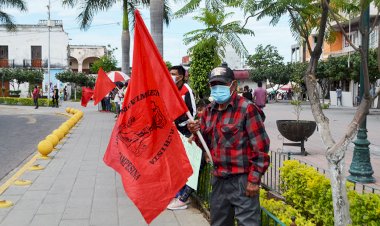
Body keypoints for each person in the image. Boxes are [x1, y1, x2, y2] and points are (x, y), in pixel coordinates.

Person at [187, 66, 270, 226]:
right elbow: (205, 144)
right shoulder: (209, 111)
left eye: (222, 84)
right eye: (214, 84)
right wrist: (197, 133)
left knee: (248, 223)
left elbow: (261, 147)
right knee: (219, 222)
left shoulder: (247, 108)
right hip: (219, 179)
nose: (217, 88)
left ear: (233, 85)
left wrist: (254, 179)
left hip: (242, 180)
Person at [167, 65, 196, 211]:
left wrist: (178, 123)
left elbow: (192, 113)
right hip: (173, 134)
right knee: (174, 165)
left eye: (174, 74)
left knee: (183, 164)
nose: (171, 76)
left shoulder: (186, 90)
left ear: (182, 76)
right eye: (170, 73)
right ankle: (176, 194)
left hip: (184, 133)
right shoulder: (171, 90)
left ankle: (183, 198)